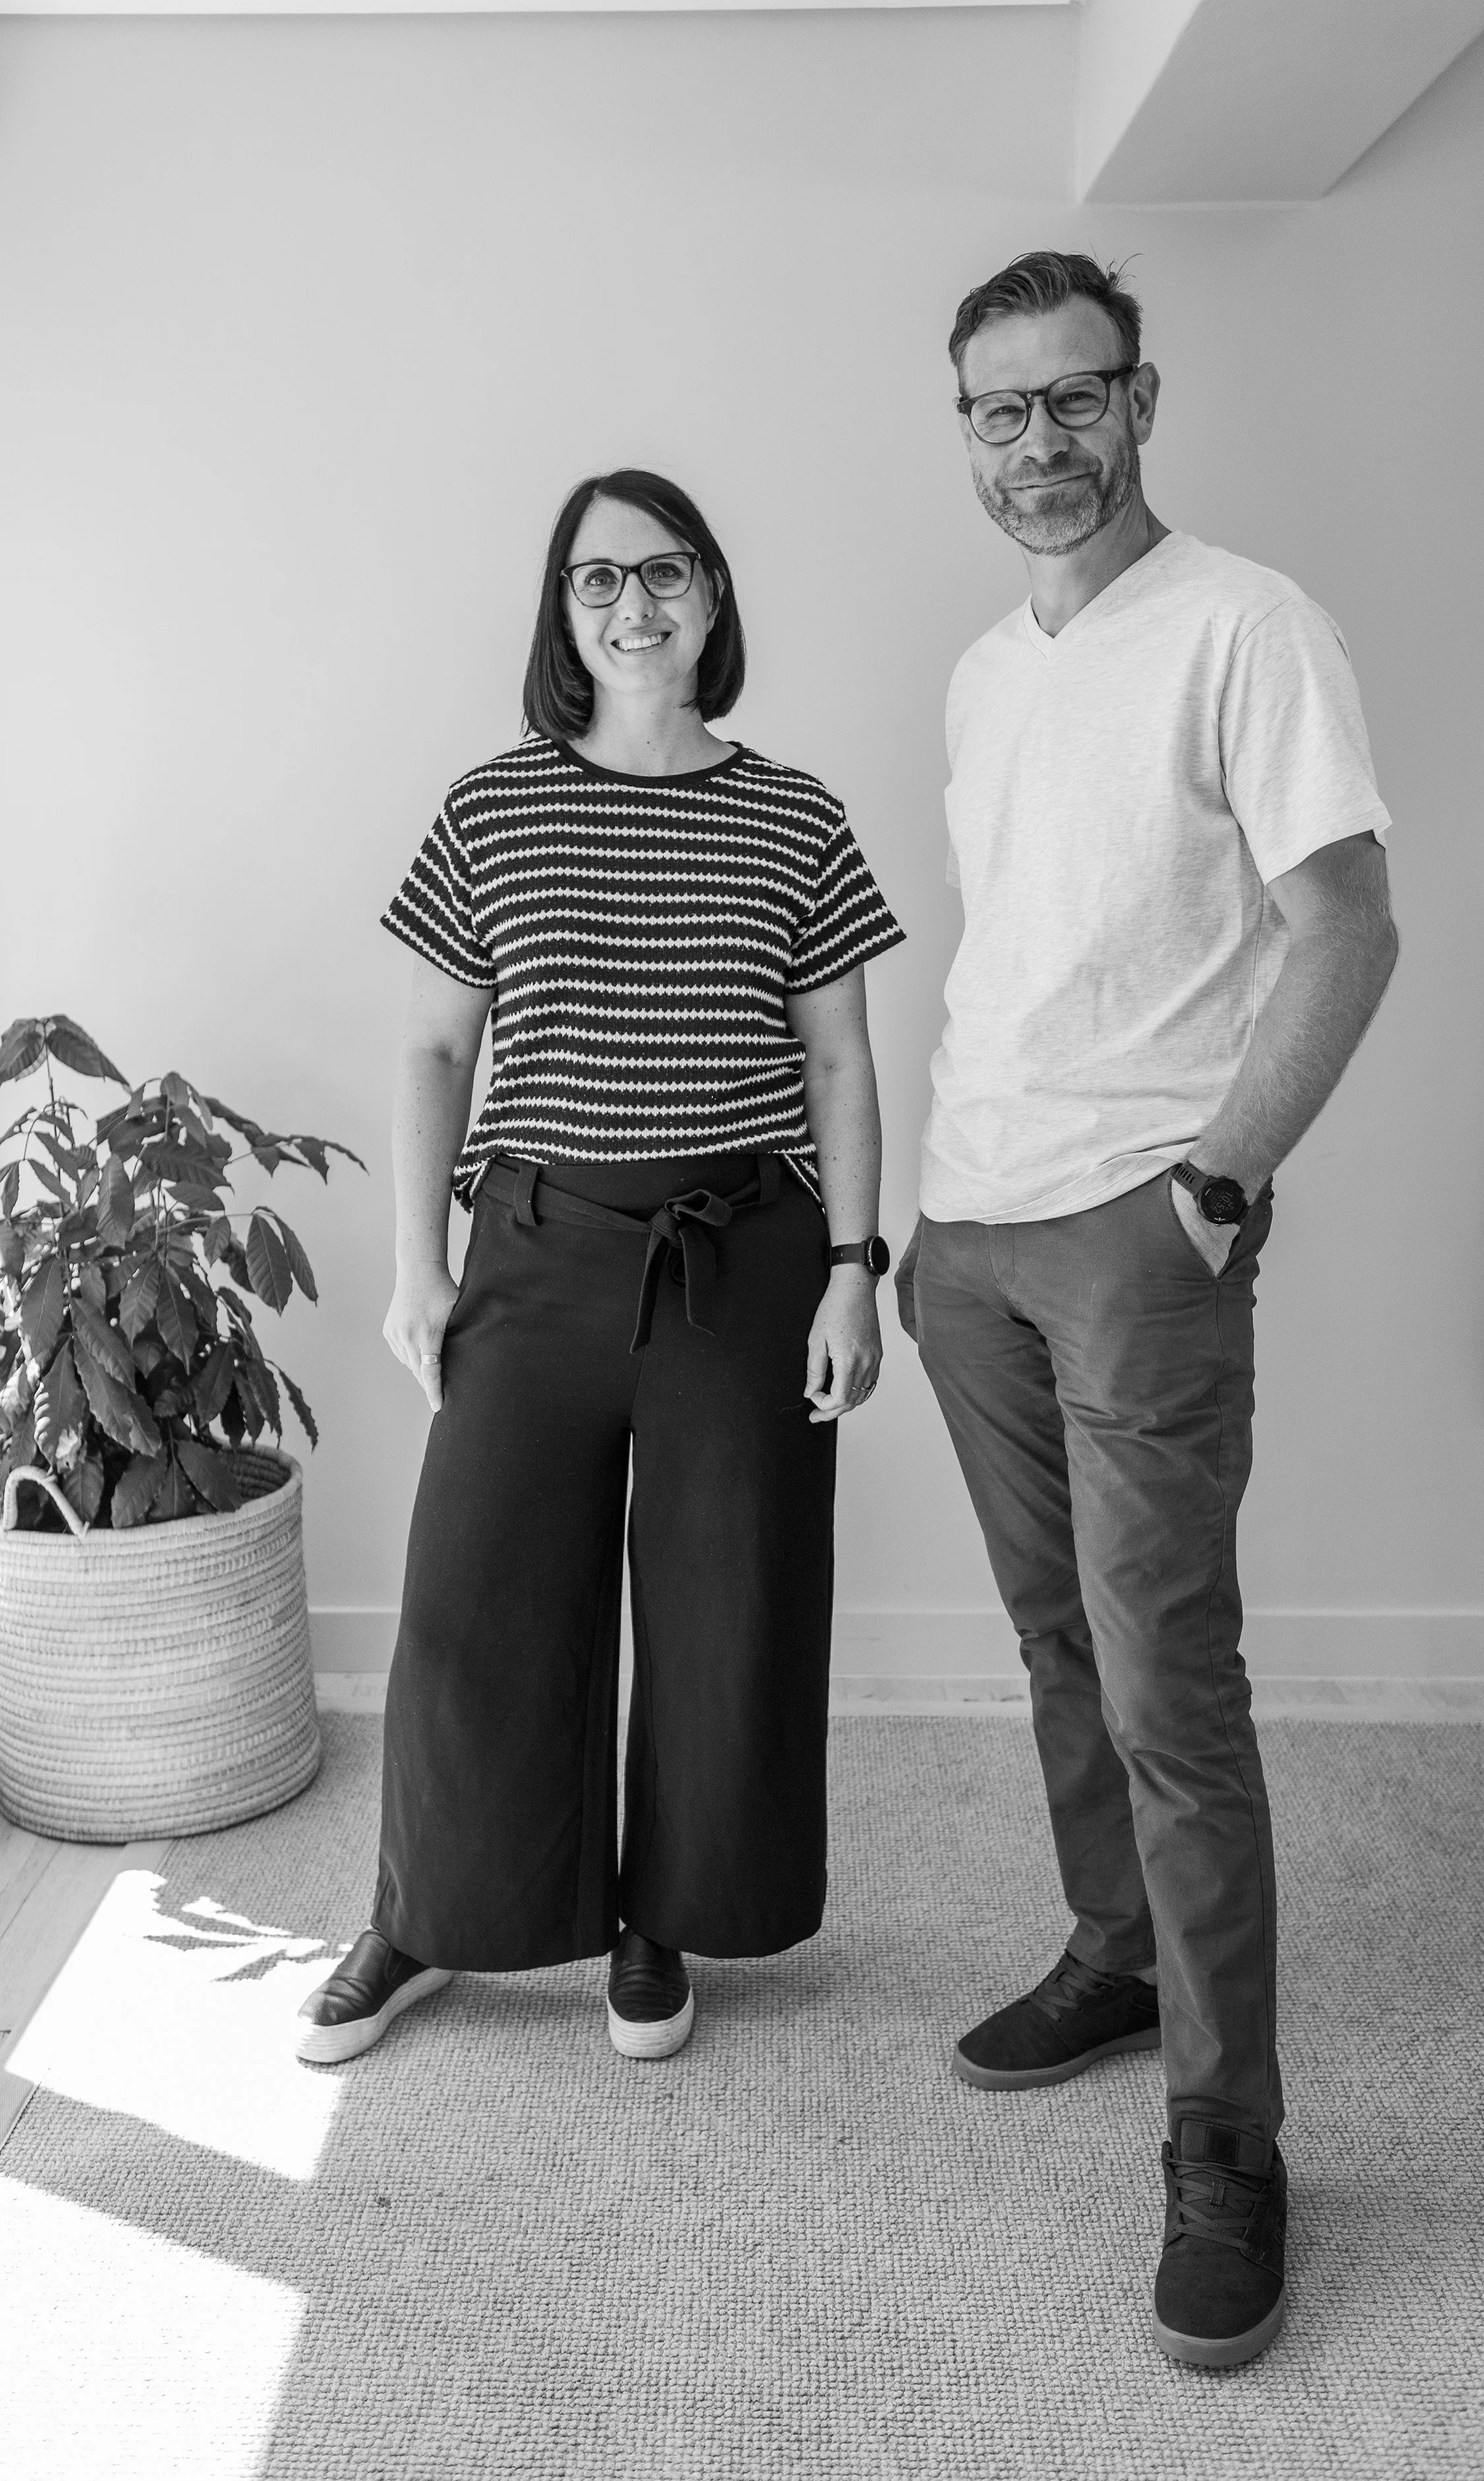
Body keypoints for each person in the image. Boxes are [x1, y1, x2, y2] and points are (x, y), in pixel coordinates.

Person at [900, 253, 1398, 2369]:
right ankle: (1112, 1951)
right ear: (966, 429)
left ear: (1141, 400)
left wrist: (1212, 1180)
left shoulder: (1246, 624)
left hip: (1135, 1228)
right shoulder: (978, 673)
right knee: (1050, 1642)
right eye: (996, 412)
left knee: (1168, 1687)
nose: (1037, 444)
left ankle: (1229, 2135)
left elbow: (1346, 927)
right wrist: (929, 1227)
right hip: (966, 1231)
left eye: (1071, 400)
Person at [298, 468, 903, 2071]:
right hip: (538, 1249)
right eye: (594, 581)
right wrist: (415, 1265)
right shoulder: (495, 804)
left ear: (711, 596)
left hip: (742, 1256)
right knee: (474, 1599)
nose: (632, 607)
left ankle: (663, 1918)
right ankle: (429, 1919)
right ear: (561, 615)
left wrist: (854, 1270)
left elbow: (837, 1066)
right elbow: (435, 1045)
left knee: (724, 1605)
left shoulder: (796, 813)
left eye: (662, 574)